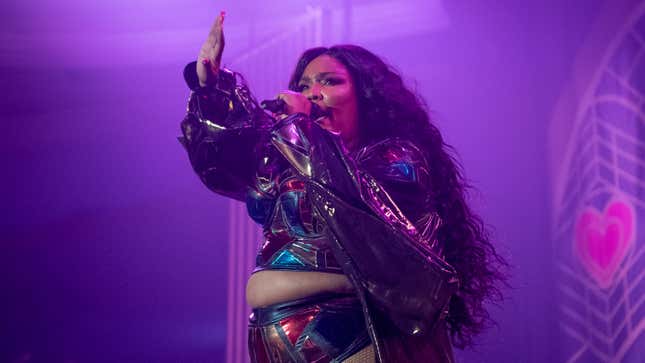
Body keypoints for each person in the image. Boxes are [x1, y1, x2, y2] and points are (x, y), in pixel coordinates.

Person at [179, 12, 506, 363]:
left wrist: (298, 125)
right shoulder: (289, 157)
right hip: (273, 337)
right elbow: (228, 161)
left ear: (365, 96)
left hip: (354, 334)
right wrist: (211, 86)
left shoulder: (397, 160)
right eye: (303, 85)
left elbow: (348, 195)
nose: (312, 94)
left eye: (329, 82)